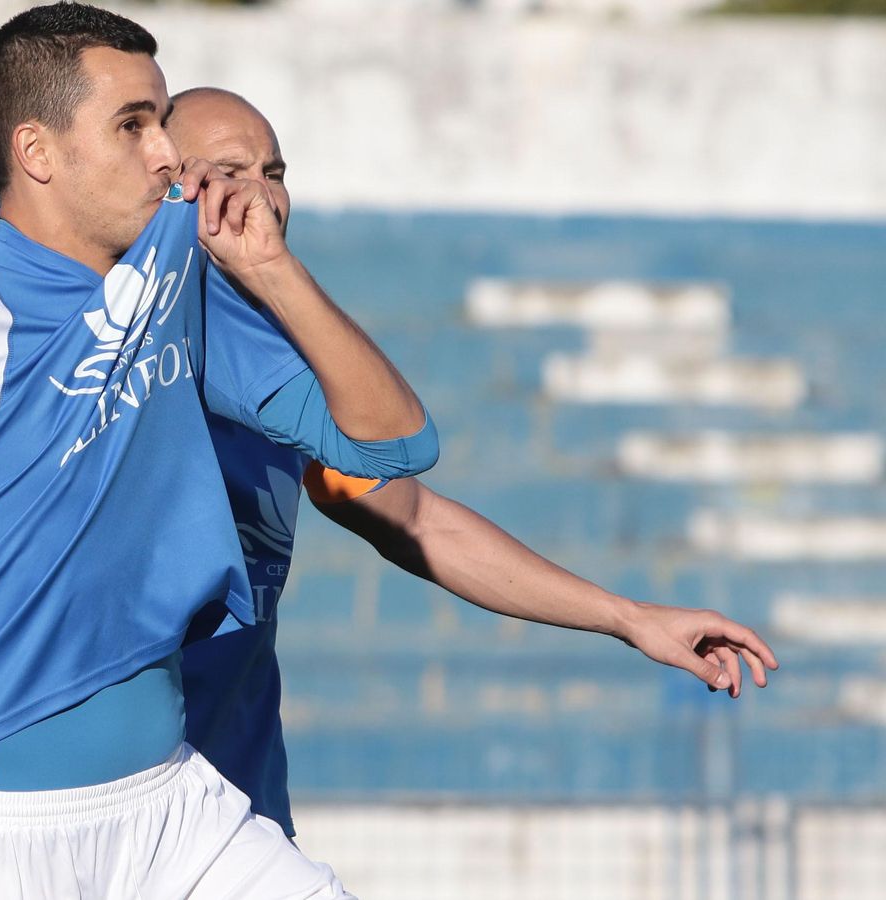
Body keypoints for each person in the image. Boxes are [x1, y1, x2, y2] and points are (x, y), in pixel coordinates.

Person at [0, 5, 436, 898]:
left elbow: (397, 442)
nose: (167, 154)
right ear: (38, 152)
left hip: (181, 811)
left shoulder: (181, 292)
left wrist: (271, 272)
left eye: (162, 121)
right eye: (133, 124)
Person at [166, 86, 780, 838]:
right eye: (232, 170)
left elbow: (417, 516)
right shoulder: (134, 343)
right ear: (169, 178)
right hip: (121, 798)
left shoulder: (278, 362)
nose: (265, 195)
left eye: (277, 171)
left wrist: (628, 617)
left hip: (235, 801)